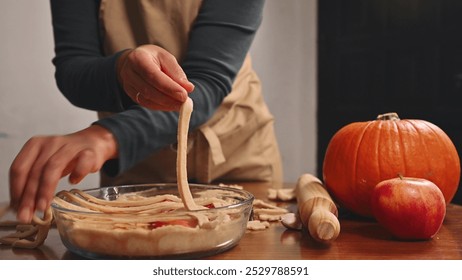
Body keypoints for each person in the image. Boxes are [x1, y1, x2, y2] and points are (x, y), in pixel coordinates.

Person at [9, 0, 283, 224]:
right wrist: (121, 69)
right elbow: (73, 67)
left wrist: (108, 137)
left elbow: (206, 83)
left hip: (238, 163)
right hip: (138, 174)